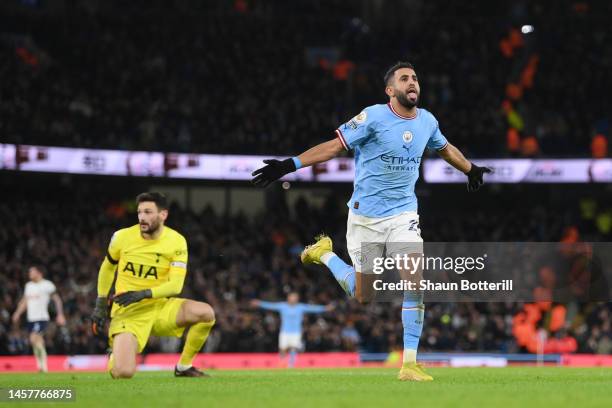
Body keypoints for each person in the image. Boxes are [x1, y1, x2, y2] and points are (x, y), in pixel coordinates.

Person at [252, 61, 491, 381]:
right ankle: (324, 253)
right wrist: (289, 164)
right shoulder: (373, 117)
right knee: (363, 296)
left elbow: (446, 149)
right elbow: (335, 147)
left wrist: (470, 169)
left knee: (415, 282)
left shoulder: (428, 121)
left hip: (404, 214)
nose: (412, 83)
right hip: (365, 218)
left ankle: (409, 364)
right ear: (390, 90)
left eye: (415, 78)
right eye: (404, 78)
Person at [90, 192, 215, 378]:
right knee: (124, 372)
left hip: (160, 307)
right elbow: (108, 267)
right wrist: (101, 302)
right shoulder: (122, 237)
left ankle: (183, 367)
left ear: (163, 215)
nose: (142, 217)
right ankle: (114, 354)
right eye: (139, 212)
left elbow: (175, 286)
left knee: (206, 313)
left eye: (148, 212)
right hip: (129, 312)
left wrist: (143, 293)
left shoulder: (177, 241)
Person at [251, 292, 334, 367]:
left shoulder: (300, 307)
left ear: (297, 299)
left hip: (296, 332)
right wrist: (260, 303)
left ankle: (291, 365)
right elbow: (271, 306)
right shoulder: (282, 306)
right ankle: (282, 363)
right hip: (284, 331)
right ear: (288, 298)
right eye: (292, 297)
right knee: (283, 349)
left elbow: (313, 309)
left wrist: (325, 308)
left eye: (295, 298)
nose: (293, 299)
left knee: (293, 348)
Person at [11, 265, 66, 373]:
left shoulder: (47, 285)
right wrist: (17, 313)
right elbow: (25, 301)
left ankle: (43, 366)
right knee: (37, 342)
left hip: (42, 317)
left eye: (32, 272)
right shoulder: (29, 286)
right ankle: (41, 367)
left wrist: (60, 314)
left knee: (33, 338)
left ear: (39, 273)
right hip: (31, 318)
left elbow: (57, 300)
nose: (29, 274)